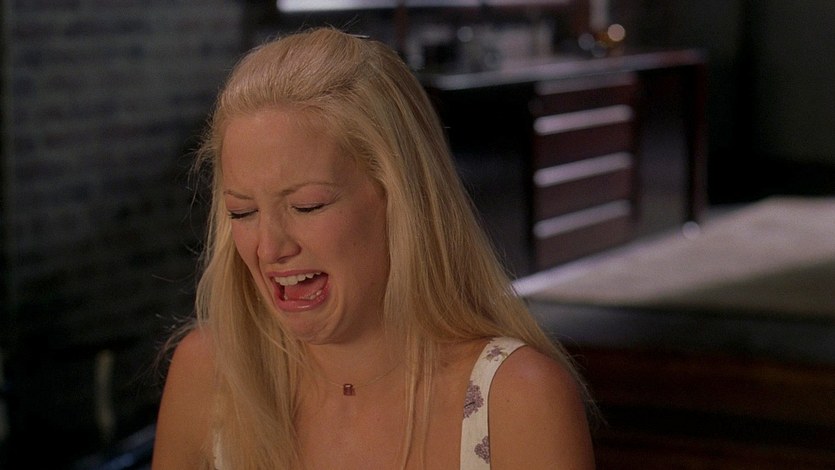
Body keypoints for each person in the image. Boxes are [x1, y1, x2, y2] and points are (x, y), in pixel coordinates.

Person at [152, 27, 595, 469]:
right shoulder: (208, 373)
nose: (269, 248)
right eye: (243, 212)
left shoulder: (518, 399)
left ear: (402, 201)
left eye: (308, 206)